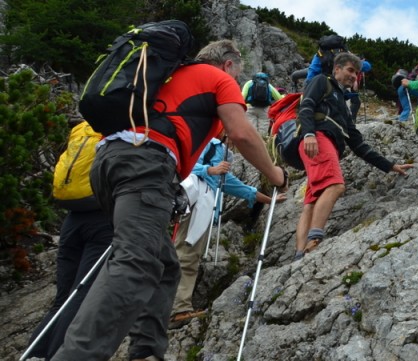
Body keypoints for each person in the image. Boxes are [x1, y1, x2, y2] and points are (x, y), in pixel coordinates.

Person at [51, 40, 287, 361]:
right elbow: (243, 133)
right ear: (229, 65)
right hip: (146, 164)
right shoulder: (215, 78)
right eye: (237, 73)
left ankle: (146, 351)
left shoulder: (169, 77)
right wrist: (274, 173)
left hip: (108, 162)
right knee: (136, 261)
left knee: (164, 265)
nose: (236, 79)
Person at [294, 52, 413, 261]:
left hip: (319, 142)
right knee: (335, 185)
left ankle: (298, 254)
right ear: (336, 69)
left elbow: (358, 144)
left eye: (357, 73)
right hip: (319, 139)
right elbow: (307, 105)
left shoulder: (343, 104)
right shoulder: (322, 81)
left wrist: (390, 166)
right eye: (350, 70)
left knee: (312, 202)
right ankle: (314, 243)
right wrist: (309, 134)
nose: (354, 76)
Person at [169, 136, 286, 329]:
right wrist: (210, 170)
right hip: (196, 205)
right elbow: (183, 166)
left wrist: (268, 199)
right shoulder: (208, 143)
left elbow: (231, 184)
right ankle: (177, 309)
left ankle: (175, 307)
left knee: (188, 254)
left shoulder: (219, 150)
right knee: (186, 255)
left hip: (198, 205)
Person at [25, 121, 113, 360]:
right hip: (103, 220)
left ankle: (35, 353)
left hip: (73, 220)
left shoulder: (84, 128)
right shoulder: (125, 128)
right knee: (81, 296)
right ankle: (57, 355)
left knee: (63, 298)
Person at [345, 57, 372, 122]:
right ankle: (350, 118)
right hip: (348, 86)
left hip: (350, 86)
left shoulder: (358, 67)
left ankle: (351, 118)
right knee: (355, 102)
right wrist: (355, 81)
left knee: (356, 102)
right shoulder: (354, 67)